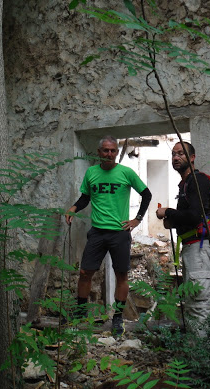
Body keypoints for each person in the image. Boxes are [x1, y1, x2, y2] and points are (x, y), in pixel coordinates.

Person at [65, 135, 152, 336]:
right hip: (97, 232)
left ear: (116, 152)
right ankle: (80, 314)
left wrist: (137, 219)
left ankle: (118, 317)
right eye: (106, 150)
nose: (110, 154)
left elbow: (146, 194)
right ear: (99, 152)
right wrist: (73, 208)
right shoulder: (91, 173)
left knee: (121, 274)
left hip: (119, 233)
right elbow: (86, 197)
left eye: (113, 150)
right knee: (85, 273)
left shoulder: (126, 173)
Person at [156, 141, 210, 334]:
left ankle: (202, 360)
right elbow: (190, 217)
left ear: (192, 158)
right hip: (192, 248)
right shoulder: (186, 184)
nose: (176, 157)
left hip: (199, 248)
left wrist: (168, 211)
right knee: (192, 303)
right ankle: (195, 353)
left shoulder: (198, 182)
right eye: (173, 154)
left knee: (198, 304)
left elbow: (194, 215)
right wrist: (171, 221)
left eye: (181, 154)